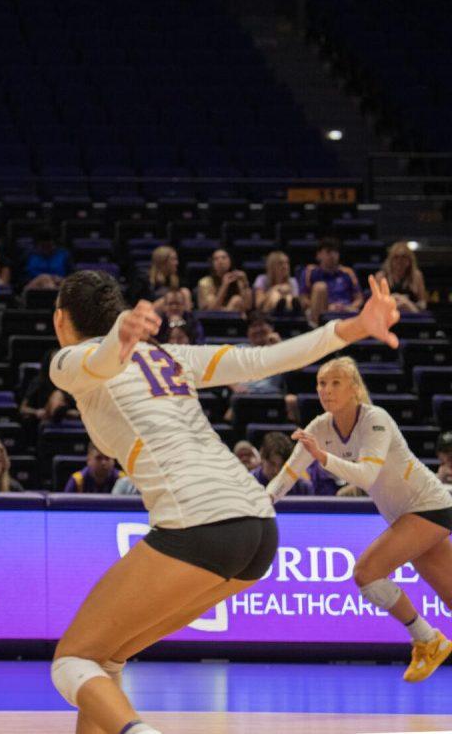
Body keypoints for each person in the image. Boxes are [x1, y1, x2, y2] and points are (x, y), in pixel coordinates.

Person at [45, 270, 399, 734]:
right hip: (257, 528)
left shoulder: (70, 359)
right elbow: (266, 359)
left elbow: (98, 363)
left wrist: (118, 338)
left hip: (200, 522)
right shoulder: (170, 357)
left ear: (60, 319)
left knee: (71, 660)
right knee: (105, 656)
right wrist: (354, 327)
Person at [267, 355, 452, 682]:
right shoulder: (320, 428)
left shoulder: (375, 419)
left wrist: (323, 458)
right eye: (322, 383)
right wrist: (261, 503)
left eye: (336, 382)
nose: (327, 389)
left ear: (354, 388)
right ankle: (429, 640)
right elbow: (288, 474)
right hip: (405, 514)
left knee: (367, 572)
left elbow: (367, 475)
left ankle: (427, 639)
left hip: (429, 505)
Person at [300, 237, 363, 324]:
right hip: (321, 312)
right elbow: (303, 299)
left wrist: (347, 307)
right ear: (318, 255)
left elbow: (359, 299)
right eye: (328, 252)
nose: (333, 255)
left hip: (345, 311)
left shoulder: (348, 272)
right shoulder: (310, 271)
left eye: (335, 252)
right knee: (320, 287)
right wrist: (325, 307)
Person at [20, 348, 78, 427]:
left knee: (58, 395)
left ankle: (60, 411)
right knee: (58, 394)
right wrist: (36, 412)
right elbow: (23, 409)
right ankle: (58, 412)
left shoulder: (71, 383)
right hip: (45, 417)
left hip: (69, 421)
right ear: (49, 363)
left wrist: (75, 412)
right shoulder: (39, 381)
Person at [376, 241, 427, 313]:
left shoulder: (417, 276)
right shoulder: (381, 276)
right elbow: (376, 303)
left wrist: (407, 303)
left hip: (411, 314)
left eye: (403, 257)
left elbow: (423, 303)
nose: (400, 261)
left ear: (410, 260)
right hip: (387, 314)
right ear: (390, 260)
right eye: (396, 257)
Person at [23, 226, 73, 292]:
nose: (46, 250)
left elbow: (72, 276)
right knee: (44, 278)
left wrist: (61, 279)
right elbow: (21, 280)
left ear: (54, 244)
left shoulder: (64, 255)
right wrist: (42, 279)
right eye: (43, 247)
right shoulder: (28, 256)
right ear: (36, 245)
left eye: (49, 246)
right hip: (33, 289)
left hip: (59, 286)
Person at [254, 251, 303, 316]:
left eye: (287, 263)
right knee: (275, 294)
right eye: (281, 263)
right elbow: (259, 304)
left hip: (290, 312)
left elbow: (296, 302)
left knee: (288, 297)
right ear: (272, 266)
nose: (285, 266)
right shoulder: (262, 279)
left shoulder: (292, 281)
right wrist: (275, 288)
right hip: (266, 314)